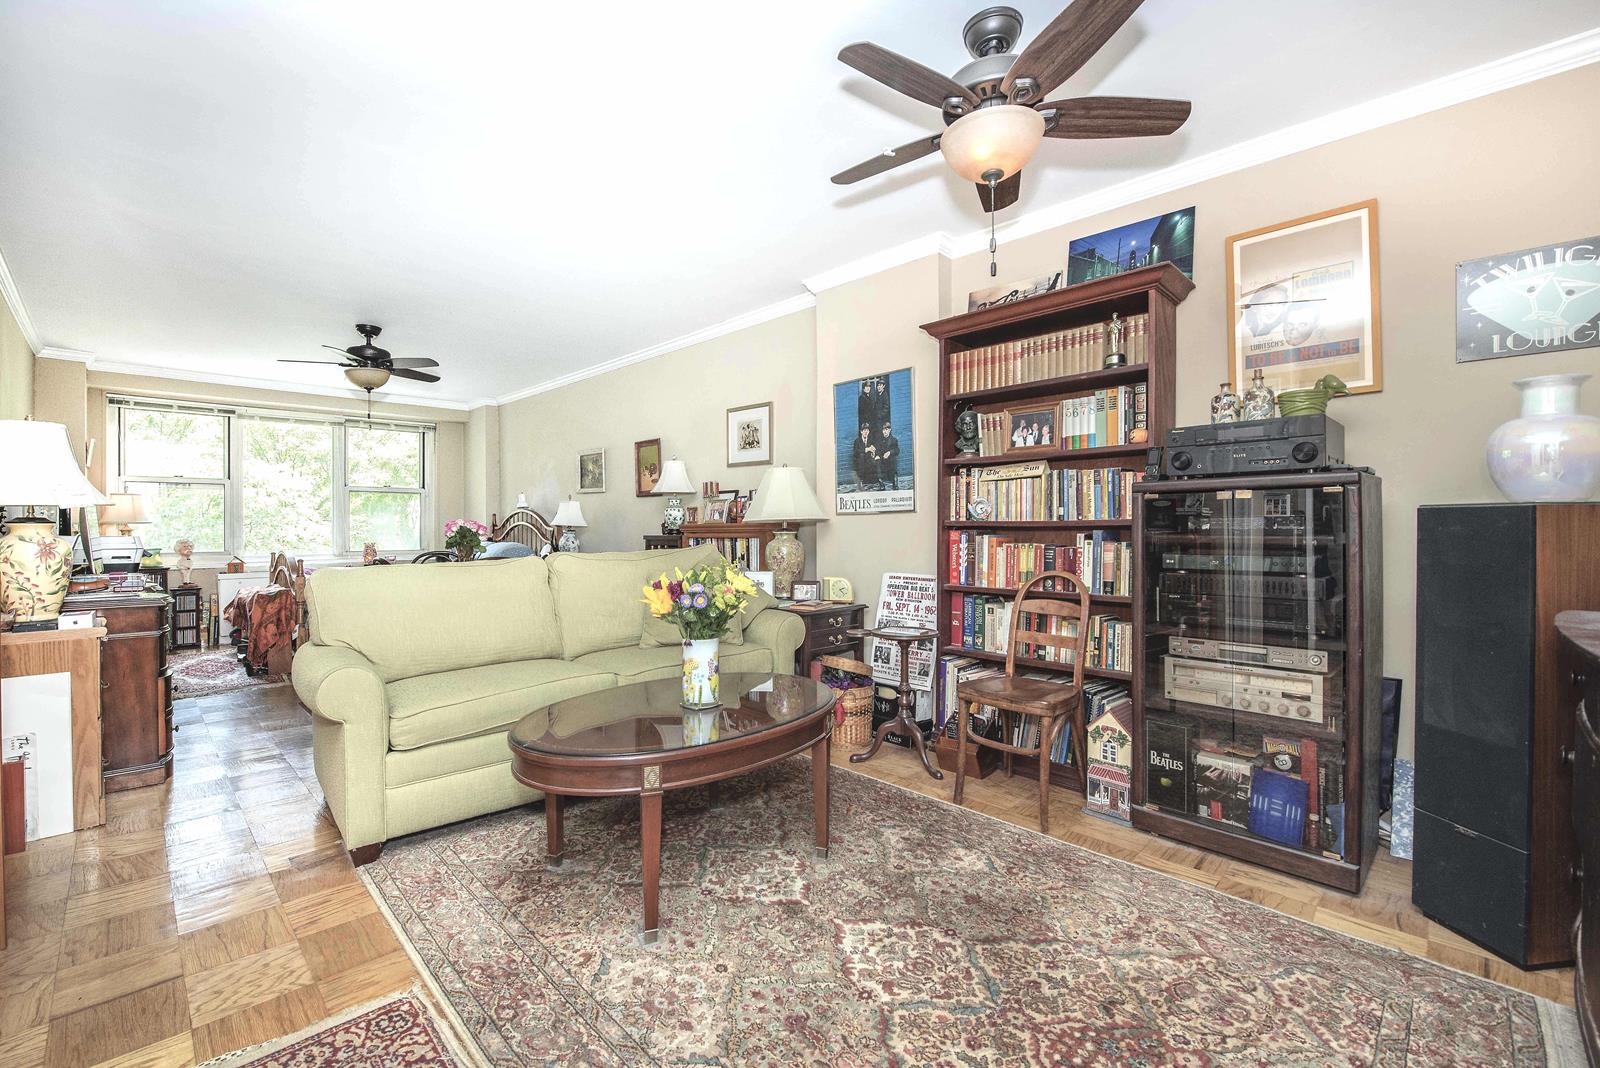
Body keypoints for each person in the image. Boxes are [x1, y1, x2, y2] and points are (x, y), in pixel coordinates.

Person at [873, 420, 900, 488]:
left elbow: (897, 450)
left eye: (886, 429)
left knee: (893, 459)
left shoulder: (894, 440)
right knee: (877, 460)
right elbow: (878, 450)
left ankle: (895, 482)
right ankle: (881, 483)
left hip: (890, 459)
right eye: (883, 430)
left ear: (890, 430)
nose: (885, 431)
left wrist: (889, 452)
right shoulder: (880, 440)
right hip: (882, 459)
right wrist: (877, 455)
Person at [851, 423, 876, 489]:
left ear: (869, 432)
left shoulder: (871, 440)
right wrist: (866, 449)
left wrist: (873, 452)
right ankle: (861, 481)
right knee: (861, 456)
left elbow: (874, 449)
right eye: (864, 430)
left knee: (874, 461)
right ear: (861, 431)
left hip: (868, 459)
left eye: (867, 430)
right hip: (859, 460)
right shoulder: (857, 441)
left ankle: (871, 481)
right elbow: (855, 452)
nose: (866, 432)